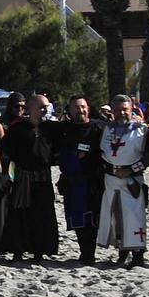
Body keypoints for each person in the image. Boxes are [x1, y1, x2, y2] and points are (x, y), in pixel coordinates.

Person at [0, 96, 60, 264]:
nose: (44, 110)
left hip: (43, 177)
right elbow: (5, 152)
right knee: (19, 214)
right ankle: (18, 250)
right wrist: (5, 174)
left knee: (42, 215)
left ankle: (39, 251)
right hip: (23, 177)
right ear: (31, 108)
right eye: (41, 107)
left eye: (46, 107)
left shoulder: (50, 128)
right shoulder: (18, 127)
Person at [96, 94, 149, 264]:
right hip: (111, 180)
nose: (121, 113)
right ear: (112, 111)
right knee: (115, 216)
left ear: (131, 109)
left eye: (125, 109)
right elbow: (100, 154)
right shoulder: (105, 129)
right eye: (117, 110)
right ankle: (122, 251)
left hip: (132, 180)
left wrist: (130, 170)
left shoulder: (142, 130)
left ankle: (138, 254)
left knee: (134, 216)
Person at [53, 97, 104, 265]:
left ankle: (91, 252)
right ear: (69, 110)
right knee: (78, 219)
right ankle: (85, 252)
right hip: (72, 182)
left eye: (82, 107)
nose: (80, 110)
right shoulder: (64, 129)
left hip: (94, 181)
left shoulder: (99, 127)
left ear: (88, 108)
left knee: (93, 219)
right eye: (76, 108)